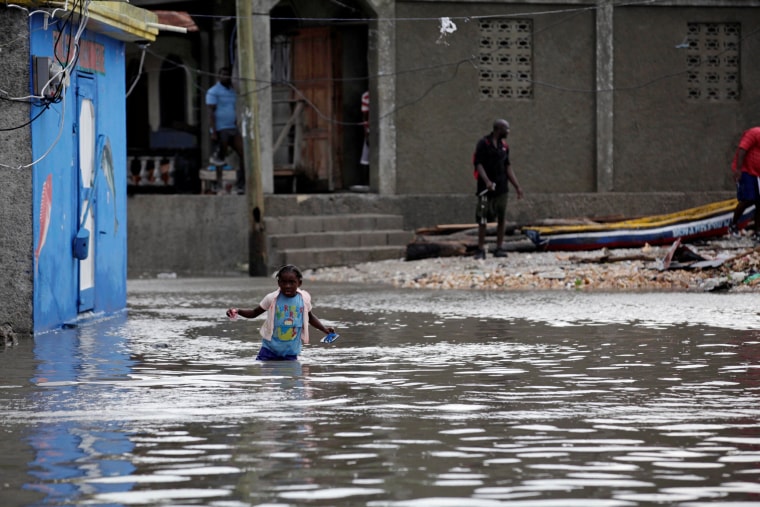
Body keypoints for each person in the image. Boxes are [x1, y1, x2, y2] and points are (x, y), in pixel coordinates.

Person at [225, 265, 335, 361]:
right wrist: (238, 311)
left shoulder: (304, 299)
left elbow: (310, 317)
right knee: (268, 379)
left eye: (291, 282)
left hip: (291, 352)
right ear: (278, 282)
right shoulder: (271, 298)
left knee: (292, 380)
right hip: (269, 350)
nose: (287, 286)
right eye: (284, 282)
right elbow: (254, 313)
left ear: (299, 283)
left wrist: (325, 330)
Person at [472, 119, 524, 260]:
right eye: (506, 129)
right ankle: (480, 249)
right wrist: (487, 181)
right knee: (482, 218)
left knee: (501, 218)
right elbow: (478, 164)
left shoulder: (504, 146)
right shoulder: (484, 143)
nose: (508, 131)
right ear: (498, 129)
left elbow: (507, 166)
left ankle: (499, 248)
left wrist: (517, 186)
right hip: (484, 189)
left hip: (501, 188)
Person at [206, 66, 245, 194]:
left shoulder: (232, 91)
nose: (225, 77)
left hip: (232, 128)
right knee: (220, 158)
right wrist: (213, 131)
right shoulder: (213, 91)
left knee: (244, 154)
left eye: (227, 75)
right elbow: (211, 112)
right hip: (220, 129)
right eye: (223, 75)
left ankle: (241, 184)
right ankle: (217, 184)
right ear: (218, 76)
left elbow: (233, 108)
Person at [729, 126, 760, 240]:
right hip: (746, 170)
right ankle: (733, 224)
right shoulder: (754, 133)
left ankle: (757, 231)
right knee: (748, 199)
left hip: (758, 173)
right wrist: (738, 169)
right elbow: (742, 148)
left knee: (759, 202)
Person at [359, 90, 370, 185]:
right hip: (369, 129)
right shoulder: (366, 96)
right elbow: (365, 116)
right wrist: (367, 134)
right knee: (365, 158)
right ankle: (365, 183)